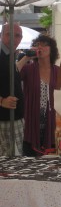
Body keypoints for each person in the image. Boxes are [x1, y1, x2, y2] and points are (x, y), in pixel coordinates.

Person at [17, 34, 61, 156]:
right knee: (30, 160)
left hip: (53, 122)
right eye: (37, 45)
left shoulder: (59, 71)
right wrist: (26, 57)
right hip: (31, 121)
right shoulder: (29, 69)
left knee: (51, 163)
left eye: (44, 45)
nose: (40, 47)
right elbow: (13, 74)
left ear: (52, 50)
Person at [0, 23, 24, 156]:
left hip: (14, 118)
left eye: (18, 35)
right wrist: (2, 101)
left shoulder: (9, 54)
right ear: (1, 35)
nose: (14, 39)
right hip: (4, 120)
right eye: (9, 34)